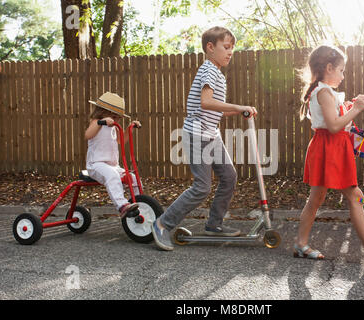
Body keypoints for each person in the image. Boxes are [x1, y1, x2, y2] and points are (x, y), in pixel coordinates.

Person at [151, 26, 257, 251]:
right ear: (210, 47)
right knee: (201, 187)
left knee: (229, 176)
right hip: (197, 133)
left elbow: (216, 109)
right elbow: (205, 102)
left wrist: (238, 111)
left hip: (211, 133)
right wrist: (238, 106)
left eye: (232, 49)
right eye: (226, 47)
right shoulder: (208, 70)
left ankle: (214, 225)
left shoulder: (217, 73)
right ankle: (162, 223)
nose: (230, 52)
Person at [295, 45, 364, 264]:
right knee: (355, 196)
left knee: (317, 198)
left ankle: (301, 244)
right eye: (342, 70)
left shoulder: (324, 91)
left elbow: (332, 120)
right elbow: (333, 126)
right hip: (330, 148)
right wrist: (356, 110)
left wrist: (349, 106)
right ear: (329, 67)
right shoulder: (323, 92)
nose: (343, 75)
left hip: (330, 148)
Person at [85, 92, 142, 219]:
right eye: (114, 117)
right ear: (102, 112)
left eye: (118, 118)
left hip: (113, 166)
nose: (116, 120)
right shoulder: (96, 122)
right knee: (113, 176)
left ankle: (139, 203)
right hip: (96, 165)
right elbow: (88, 135)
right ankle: (122, 205)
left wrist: (129, 128)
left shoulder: (114, 127)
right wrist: (102, 122)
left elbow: (120, 141)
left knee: (133, 178)